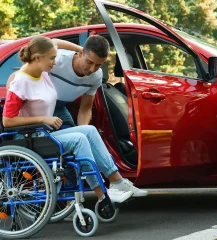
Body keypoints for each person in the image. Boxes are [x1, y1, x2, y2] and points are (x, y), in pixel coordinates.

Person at [2, 36, 137, 210]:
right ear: (38, 58)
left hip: (44, 132)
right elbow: (7, 120)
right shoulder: (20, 81)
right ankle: (102, 195)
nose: (55, 61)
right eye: (52, 58)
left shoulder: (43, 74)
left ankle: (116, 182)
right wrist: (43, 119)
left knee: (88, 130)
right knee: (79, 139)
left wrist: (78, 50)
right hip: (31, 136)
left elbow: (52, 42)